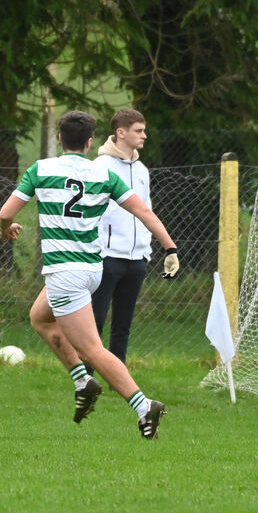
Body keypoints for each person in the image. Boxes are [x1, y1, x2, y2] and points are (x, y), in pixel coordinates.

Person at [0, 110, 180, 439]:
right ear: (90, 142)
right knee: (40, 317)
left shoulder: (42, 169)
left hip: (66, 272)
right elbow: (142, 211)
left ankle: (144, 406)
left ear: (58, 138)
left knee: (92, 348)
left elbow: (5, 213)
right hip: (92, 268)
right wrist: (170, 248)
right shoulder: (103, 174)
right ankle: (83, 381)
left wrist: (5, 229)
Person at [90, 109, 177, 367]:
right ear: (120, 132)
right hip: (106, 257)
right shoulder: (99, 167)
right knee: (94, 323)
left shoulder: (141, 170)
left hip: (137, 258)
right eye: (138, 131)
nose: (144, 135)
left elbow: (145, 210)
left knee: (123, 327)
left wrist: (150, 250)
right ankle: (86, 379)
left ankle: (119, 379)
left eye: (143, 130)